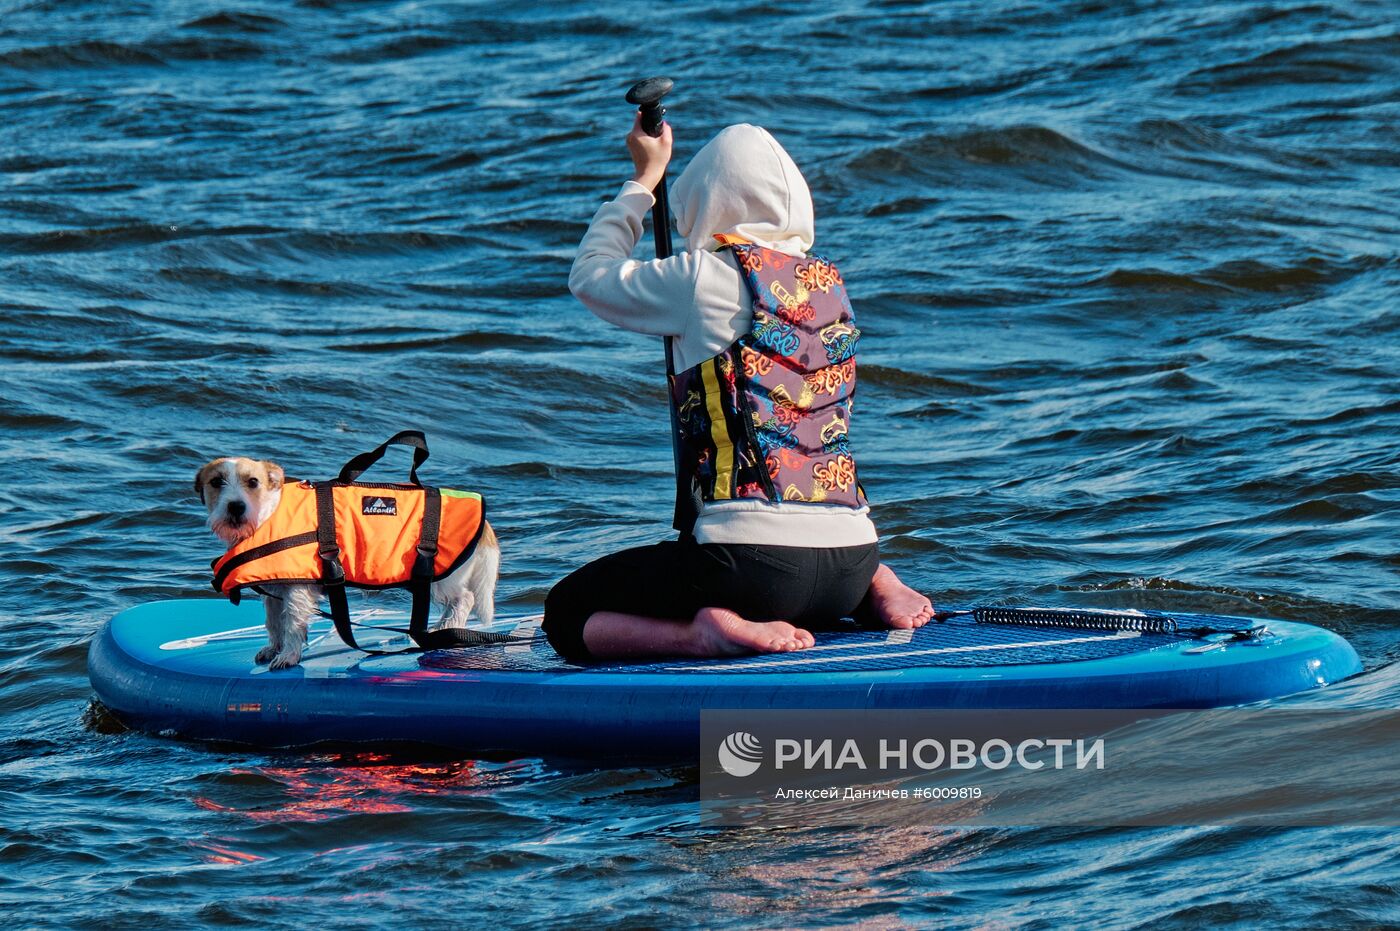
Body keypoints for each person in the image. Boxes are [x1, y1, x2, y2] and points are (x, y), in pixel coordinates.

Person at [542, 116, 934, 662]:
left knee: (566, 611)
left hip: (750, 569)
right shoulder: (829, 286)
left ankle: (700, 635)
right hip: (852, 559)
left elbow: (590, 276)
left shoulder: (703, 275)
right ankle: (877, 584)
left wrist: (644, 179)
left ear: (708, 206)